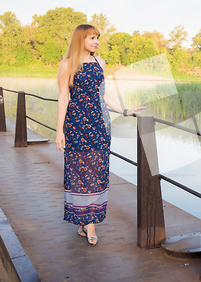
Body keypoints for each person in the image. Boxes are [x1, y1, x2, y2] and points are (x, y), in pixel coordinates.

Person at [56, 24, 145, 246]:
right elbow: (63, 98)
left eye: (97, 38)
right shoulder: (67, 64)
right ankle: (88, 223)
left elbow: (102, 95)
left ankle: (86, 219)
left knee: (96, 170)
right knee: (78, 170)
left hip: (99, 125)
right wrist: (59, 130)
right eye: (92, 38)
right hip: (76, 125)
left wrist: (125, 111)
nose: (96, 41)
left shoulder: (100, 63)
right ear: (80, 39)